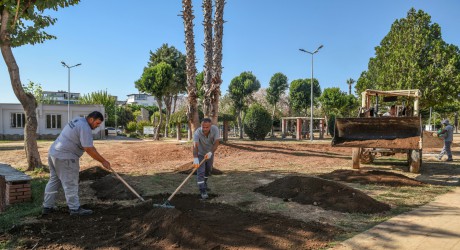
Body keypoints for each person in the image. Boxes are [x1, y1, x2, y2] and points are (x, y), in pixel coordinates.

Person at [42, 111, 112, 216]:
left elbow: (88, 146)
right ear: (91, 119)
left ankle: (47, 207)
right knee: (70, 183)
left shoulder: (77, 120)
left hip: (54, 153)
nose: (98, 126)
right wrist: (103, 161)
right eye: (97, 123)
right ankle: (75, 209)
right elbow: (88, 148)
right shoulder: (85, 127)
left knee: (54, 180)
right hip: (66, 157)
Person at [193, 118, 220, 200]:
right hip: (201, 153)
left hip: (209, 153)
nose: (204, 129)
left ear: (210, 126)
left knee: (208, 170)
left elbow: (216, 143)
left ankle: (204, 183)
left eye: (206, 127)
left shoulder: (215, 129)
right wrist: (195, 158)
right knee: (200, 171)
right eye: (203, 127)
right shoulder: (197, 132)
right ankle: (202, 190)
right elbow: (195, 146)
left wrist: (211, 152)